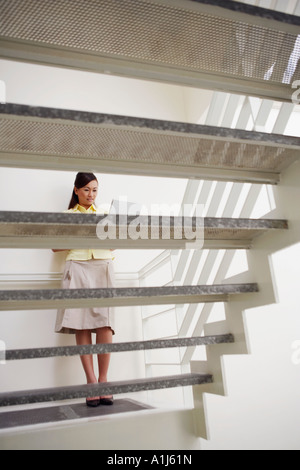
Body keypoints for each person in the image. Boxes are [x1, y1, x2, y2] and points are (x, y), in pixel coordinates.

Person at [53, 172, 115, 407]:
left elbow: (114, 245)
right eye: (87, 189)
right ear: (76, 190)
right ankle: (90, 382)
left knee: (105, 324)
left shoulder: (105, 214)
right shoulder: (66, 216)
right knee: (81, 324)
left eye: (95, 190)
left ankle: (104, 380)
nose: (91, 194)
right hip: (76, 267)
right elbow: (55, 246)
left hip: (102, 266)